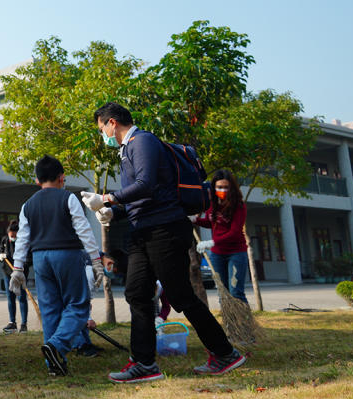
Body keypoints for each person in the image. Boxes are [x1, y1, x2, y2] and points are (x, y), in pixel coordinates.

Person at [82, 102, 246, 383]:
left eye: (101, 129)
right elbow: (142, 197)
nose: (102, 135)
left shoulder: (142, 141)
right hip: (144, 231)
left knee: (181, 296)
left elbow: (145, 185)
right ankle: (144, 363)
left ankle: (225, 354)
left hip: (164, 230)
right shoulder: (127, 150)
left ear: (111, 122)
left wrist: (109, 198)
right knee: (136, 293)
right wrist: (113, 211)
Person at [9, 155, 105, 377]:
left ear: (37, 181)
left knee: (50, 310)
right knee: (78, 306)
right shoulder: (68, 198)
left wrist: (18, 268)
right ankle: (57, 346)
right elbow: (83, 230)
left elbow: (23, 239)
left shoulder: (28, 205)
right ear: (62, 178)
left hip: (41, 259)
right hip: (67, 255)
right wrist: (96, 261)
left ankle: (53, 364)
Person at [194, 170, 249, 304]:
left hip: (236, 253)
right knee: (222, 293)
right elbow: (211, 223)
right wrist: (195, 220)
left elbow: (235, 231)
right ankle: (229, 324)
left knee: (236, 293)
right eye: (219, 187)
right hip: (217, 255)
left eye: (226, 187)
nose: (222, 190)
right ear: (214, 187)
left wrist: (212, 242)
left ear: (231, 188)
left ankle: (244, 324)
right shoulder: (212, 204)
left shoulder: (239, 206)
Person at [0, 221, 29, 333]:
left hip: (20, 273)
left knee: (21, 297)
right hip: (7, 272)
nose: (12, 237)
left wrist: (19, 269)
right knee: (10, 297)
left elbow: (29, 259)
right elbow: (1, 250)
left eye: (14, 235)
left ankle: (24, 324)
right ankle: (12, 323)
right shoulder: (5, 240)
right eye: (11, 235)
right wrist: (1, 255)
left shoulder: (24, 242)